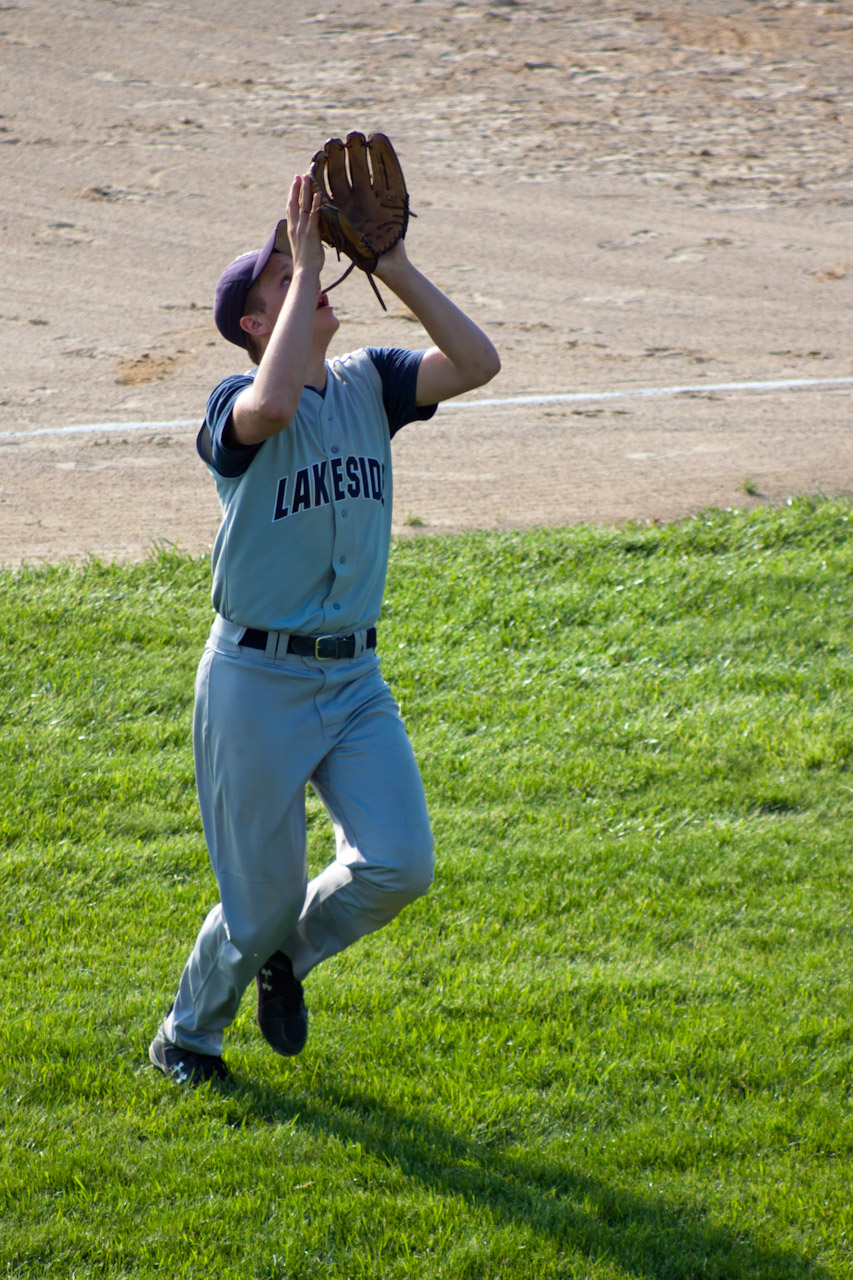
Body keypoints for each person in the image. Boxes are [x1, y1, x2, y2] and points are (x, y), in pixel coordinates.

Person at [149, 168, 500, 1086]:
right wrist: (307, 269)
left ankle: (286, 959)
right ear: (255, 322)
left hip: (352, 681)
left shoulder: (370, 383)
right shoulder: (231, 403)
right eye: (282, 276)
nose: (306, 267)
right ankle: (187, 1036)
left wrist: (395, 266)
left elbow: (477, 363)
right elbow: (269, 410)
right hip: (253, 684)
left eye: (301, 262)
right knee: (257, 900)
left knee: (399, 865)